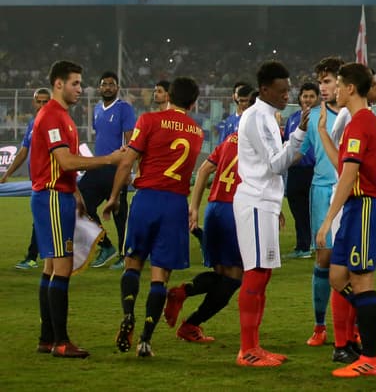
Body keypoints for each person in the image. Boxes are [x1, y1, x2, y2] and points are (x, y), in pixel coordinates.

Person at [313, 63, 376, 377]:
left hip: (366, 205)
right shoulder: (364, 122)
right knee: (337, 277)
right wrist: (323, 134)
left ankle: (368, 358)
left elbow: (349, 175)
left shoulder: (360, 123)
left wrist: (328, 219)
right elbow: (344, 165)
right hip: (358, 206)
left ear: (350, 88)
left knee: (360, 281)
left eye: (338, 84)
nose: (335, 90)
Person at [29, 60, 127, 358]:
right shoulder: (52, 116)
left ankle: (47, 338)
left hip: (58, 195)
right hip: (52, 197)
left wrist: (76, 193)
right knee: (62, 267)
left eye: (80, 84)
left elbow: (62, 165)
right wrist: (109, 159)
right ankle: (61, 342)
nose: (80, 89)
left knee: (51, 267)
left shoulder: (61, 116)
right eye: (75, 83)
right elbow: (67, 161)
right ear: (58, 84)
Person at [105, 76, 204, 358]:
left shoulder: (149, 120)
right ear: (194, 103)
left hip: (147, 199)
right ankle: (145, 341)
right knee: (160, 276)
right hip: (175, 204)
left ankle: (128, 314)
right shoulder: (197, 132)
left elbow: (127, 161)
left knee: (133, 263)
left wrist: (114, 197)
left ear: (168, 96)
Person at [233, 61, 309, 367]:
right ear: (264, 90)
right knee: (255, 273)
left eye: (287, 89)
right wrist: (299, 134)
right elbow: (276, 165)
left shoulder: (266, 116)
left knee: (262, 275)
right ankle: (247, 350)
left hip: (265, 202)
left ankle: (254, 346)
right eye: (281, 90)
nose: (286, 95)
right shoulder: (255, 117)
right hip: (255, 200)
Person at [167, 120, 247, 345]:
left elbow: (203, 170)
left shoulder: (230, 140)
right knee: (234, 277)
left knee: (221, 273)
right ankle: (190, 319)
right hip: (234, 211)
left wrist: (194, 207)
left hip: (214, 210)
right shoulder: (257, 142)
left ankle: (183, 297)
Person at [300, 57, 357, 360]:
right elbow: (297, 152)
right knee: (324, 258)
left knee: (351, 263)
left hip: (351, 192)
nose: (322, 87)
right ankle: (320, 325)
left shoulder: (354, 113)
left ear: (341, 83)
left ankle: (352, 328)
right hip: (322, 190)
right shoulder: (311, 117)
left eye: (327, 81)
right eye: (320, 82)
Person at [83, 71, 137, 269]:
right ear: (99, 87)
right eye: (104, 84)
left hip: (116, 169)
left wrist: (129, 169)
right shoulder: (97, 108)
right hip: (98, 166)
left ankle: (125, 254)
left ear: (117, 88)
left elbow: (131, 141)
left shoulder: (124, 109)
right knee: (80, 205)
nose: (107, 87)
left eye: (111, 84)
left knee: (119, 214)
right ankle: (106, 245)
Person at [1, 88, 51, 270]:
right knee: (44, 219)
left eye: (45, 101)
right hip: (36, 180)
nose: (42, 105)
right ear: (33, 103)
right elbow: (23, 152)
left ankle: (32, 257)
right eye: (39, 101)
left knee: (41, 219)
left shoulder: (53, 123)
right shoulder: (32, 124)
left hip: (49, 180)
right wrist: (7, 174)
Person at [285, 82, 319, 259]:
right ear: (299, 98)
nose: (308, 99)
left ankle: (309, 245)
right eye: (305, 96)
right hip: (294, 170)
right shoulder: (292, 118)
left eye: (312, 96)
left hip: (313, 170)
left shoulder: (321, 118)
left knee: (312, 209)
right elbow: (287, 142)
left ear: (317, 98)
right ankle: (303, 244)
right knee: (297, 209)